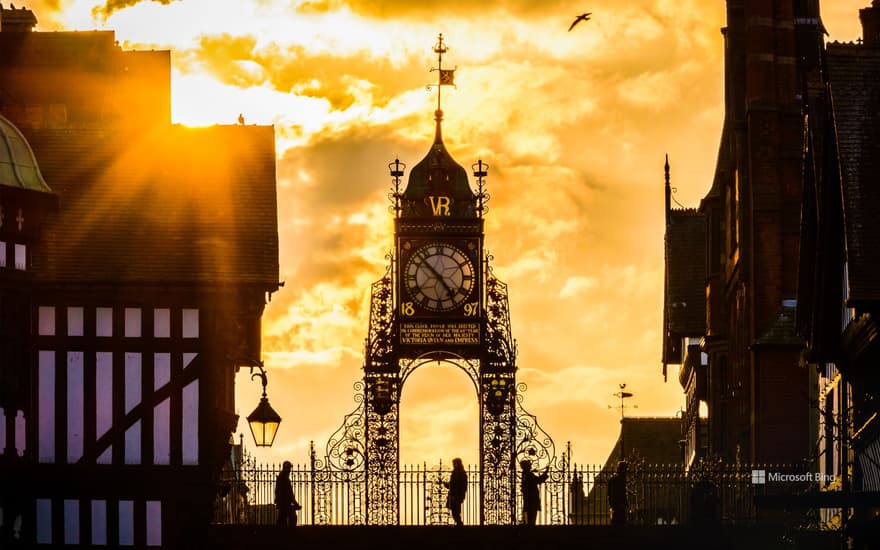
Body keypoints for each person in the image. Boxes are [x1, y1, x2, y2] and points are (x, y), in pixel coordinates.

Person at [520, 459, 548, 525]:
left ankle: (530, 528)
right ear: (526, 466)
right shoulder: (528, 474)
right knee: (532, 516)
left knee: (530, 516)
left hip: (529, 498)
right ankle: (531, 530)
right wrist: (546, 472)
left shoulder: (525, 473)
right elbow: (538, 480)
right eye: (529, 464)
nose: (530, 465)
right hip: (532, 498)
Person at [274, 461, 301, 526]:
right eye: (289, 468)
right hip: (284, 502)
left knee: (282, 519)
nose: (290, 470)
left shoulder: (282, 477)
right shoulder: (283, 478)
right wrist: (295, 502)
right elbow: (289, 493)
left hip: (283, 502)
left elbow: (278, 491)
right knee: (291, 517)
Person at [444, 458, 468, 526]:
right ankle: (459, 523)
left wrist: (449, 485)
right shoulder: (460, 472)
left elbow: (456, 484)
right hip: (456, 494)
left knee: (455, 511)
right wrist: (448, 485)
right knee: (455, 510)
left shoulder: (458, 472)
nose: (453, 465)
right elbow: (454, 484)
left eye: (454, 463)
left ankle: (459, 524)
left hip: (456, 494)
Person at [607, 460, 628, 525]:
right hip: (620, 505)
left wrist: (611, 503)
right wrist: (625, 503)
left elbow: (609, 493)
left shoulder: (612, 478)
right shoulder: (621, 478)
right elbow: (622, 492)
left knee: (614, 522)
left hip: (614, 504)